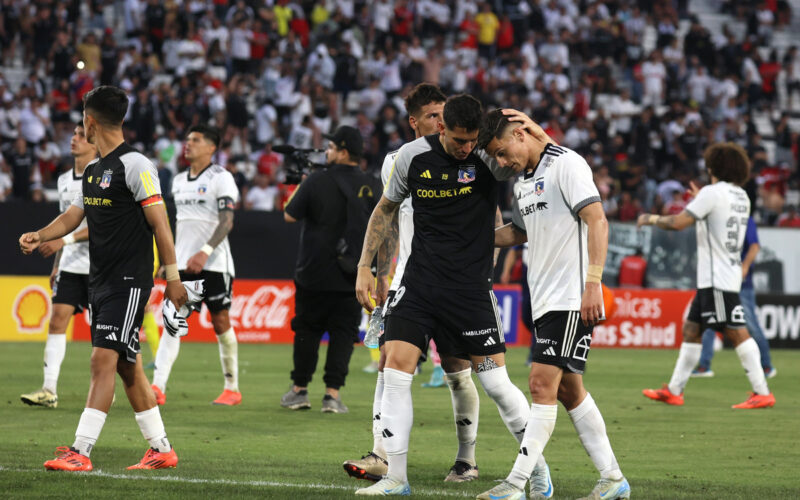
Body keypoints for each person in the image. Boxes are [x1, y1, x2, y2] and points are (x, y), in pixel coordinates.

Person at [352, 95, 544, 497]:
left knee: (495, 383)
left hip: (470, 291)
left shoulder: (489, 157)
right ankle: (396, 478)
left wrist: (537, 133)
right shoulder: (411, 157)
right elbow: (385, 210)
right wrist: (365, 266)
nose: (466, 148)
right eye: (459, 140)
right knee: (395, 369)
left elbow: (537, 164)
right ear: (441, 128)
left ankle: (537, 472)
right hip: (419, 284)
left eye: (472, 140)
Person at [18, 85, 188, 471]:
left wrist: (173, 277)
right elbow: (73, 217)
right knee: (128, 366)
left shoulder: (137, 166)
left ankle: (81, 450)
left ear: (90, 122)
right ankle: (161, 448)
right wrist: (41, 235)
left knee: (102, 360)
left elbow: (161, 225)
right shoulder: (94, 171)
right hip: (101, 281)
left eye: (82, 120)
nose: (81, 127)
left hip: (128, 281)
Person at [343, 84, 497, 485]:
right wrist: (380, 273)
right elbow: (389, 218)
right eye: (433, 116)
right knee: (389, 362)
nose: (441, 122)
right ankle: (382, 454)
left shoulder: (471, 157)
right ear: (415, 121)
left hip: (457, 282)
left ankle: (467, 458)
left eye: (443, 114)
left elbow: (486, 217)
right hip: (409, 281)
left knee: (458, 369)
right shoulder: (399, 160)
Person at [479, 109, 630, 500]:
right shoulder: (523, 184)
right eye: (494, 156)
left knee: (540, 384)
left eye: (501, 151)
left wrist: (593, 284)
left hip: (571, 296)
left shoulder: (566, 164)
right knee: (569, 391)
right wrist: (472, 234)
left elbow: (597, 220)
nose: (501, 162)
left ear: (521, 133)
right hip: (544, 298)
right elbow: (518, 232)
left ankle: (516, 484)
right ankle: (613, 478)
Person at [638, 143, 775, 409]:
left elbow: (679, 223)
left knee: (736, 333)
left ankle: (762, 391)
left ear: (713, 167)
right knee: (691, 331)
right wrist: (703, 197)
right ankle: (675, 390)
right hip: (721, 275)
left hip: (717, 279)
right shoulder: (740, 196)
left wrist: (650, 219)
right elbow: (716, 217)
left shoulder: (712, 194)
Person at [280, 125, 379, 414]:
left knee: (307, 331)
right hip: (354, 274)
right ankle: (332, 396)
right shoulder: (372, 184)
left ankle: (299, 391)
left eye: (332, 147)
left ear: (344, 151)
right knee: (343, 335)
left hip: (314, 271)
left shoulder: (315, 181)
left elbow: (288, 214)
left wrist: (301, 181)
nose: (326, 152)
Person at [151, 124, 242, 406]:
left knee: (220, 321)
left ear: (212, 147)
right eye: (187, 139)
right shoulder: (177, 180)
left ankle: (232, 388)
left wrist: (203, 252)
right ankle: (158, 387)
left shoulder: (221, 177)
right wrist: (169, 260)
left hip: (214, 263)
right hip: (183, 265)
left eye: (195, 140)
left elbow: (227, 221)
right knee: (172, 320)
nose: (187, 144)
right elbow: (172, 225)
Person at [20, 124, 96, 408]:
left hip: (101, 267)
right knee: (57, 321)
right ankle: (49, 389)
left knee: (104, 332)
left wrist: (64, 243)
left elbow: (102, 226)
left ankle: (107, 386)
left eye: (81, 135)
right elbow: (61, 225)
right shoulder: (64, 180)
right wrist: (57, 263)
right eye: (74, 134)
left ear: (94, 143)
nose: (74, 139)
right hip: (71, 266)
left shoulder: (104, 176)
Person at [692, 216, 776, 379]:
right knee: (709, 323)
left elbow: (755, 246)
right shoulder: (720, 217)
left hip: (741, 284)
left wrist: (744, 267)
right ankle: (704, 365)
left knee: (751, 326)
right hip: (720, 281)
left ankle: (766, 365)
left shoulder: (744, 219)